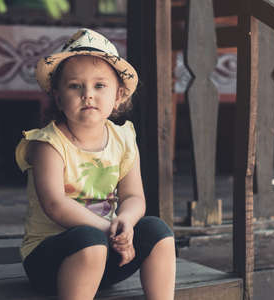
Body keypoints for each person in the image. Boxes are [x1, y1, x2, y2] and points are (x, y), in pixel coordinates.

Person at [15, 28, 176, 300]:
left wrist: (124, 222)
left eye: (100, 86)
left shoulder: (123, 138)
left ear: (119, 96)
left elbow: (134, 196)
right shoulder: (48, 144)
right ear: (57, 96)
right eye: (75, 86)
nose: (88, 94)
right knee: (90, 240)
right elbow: (55, 204)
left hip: (109, 252)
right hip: (51, 260)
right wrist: (109, 230)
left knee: (157, 231)